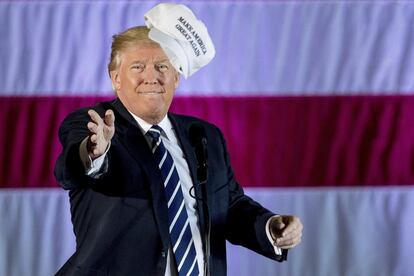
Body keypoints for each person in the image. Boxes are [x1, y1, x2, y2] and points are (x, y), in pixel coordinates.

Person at [54, 4, 302, 276]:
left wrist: (269, 227)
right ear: (116, 79)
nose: (151, 76)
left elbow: (228, 206)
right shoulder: (91, 123)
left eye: (162, 66)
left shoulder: (206, 136)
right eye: (138, 67)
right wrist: (94, 152)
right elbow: (72, 169)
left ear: (176, 78)